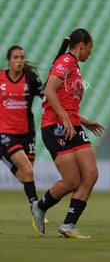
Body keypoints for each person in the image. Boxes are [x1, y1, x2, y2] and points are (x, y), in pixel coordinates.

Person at [31, 28, 105, 239]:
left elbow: (65, 101)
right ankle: (40, 206)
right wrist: (65, 118)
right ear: (81, 45)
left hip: (73, 126)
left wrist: (84, 121)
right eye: (90, 47)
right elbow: (49, 92)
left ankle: (68, 225)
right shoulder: (65, 61)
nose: (91, 52)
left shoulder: (75, 66)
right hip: (55, 127)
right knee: (72, 181)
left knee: (91, 174)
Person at [0, 45, 45, 227]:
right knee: (27, 169)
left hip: (27, 132)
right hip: (6, 131)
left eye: (22, 57)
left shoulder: (31, 78)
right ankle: (36, 209)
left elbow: (46, 98)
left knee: (24, 175)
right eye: (16, 57)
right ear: (9, 61)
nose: (20, 61)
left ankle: (4, 157)